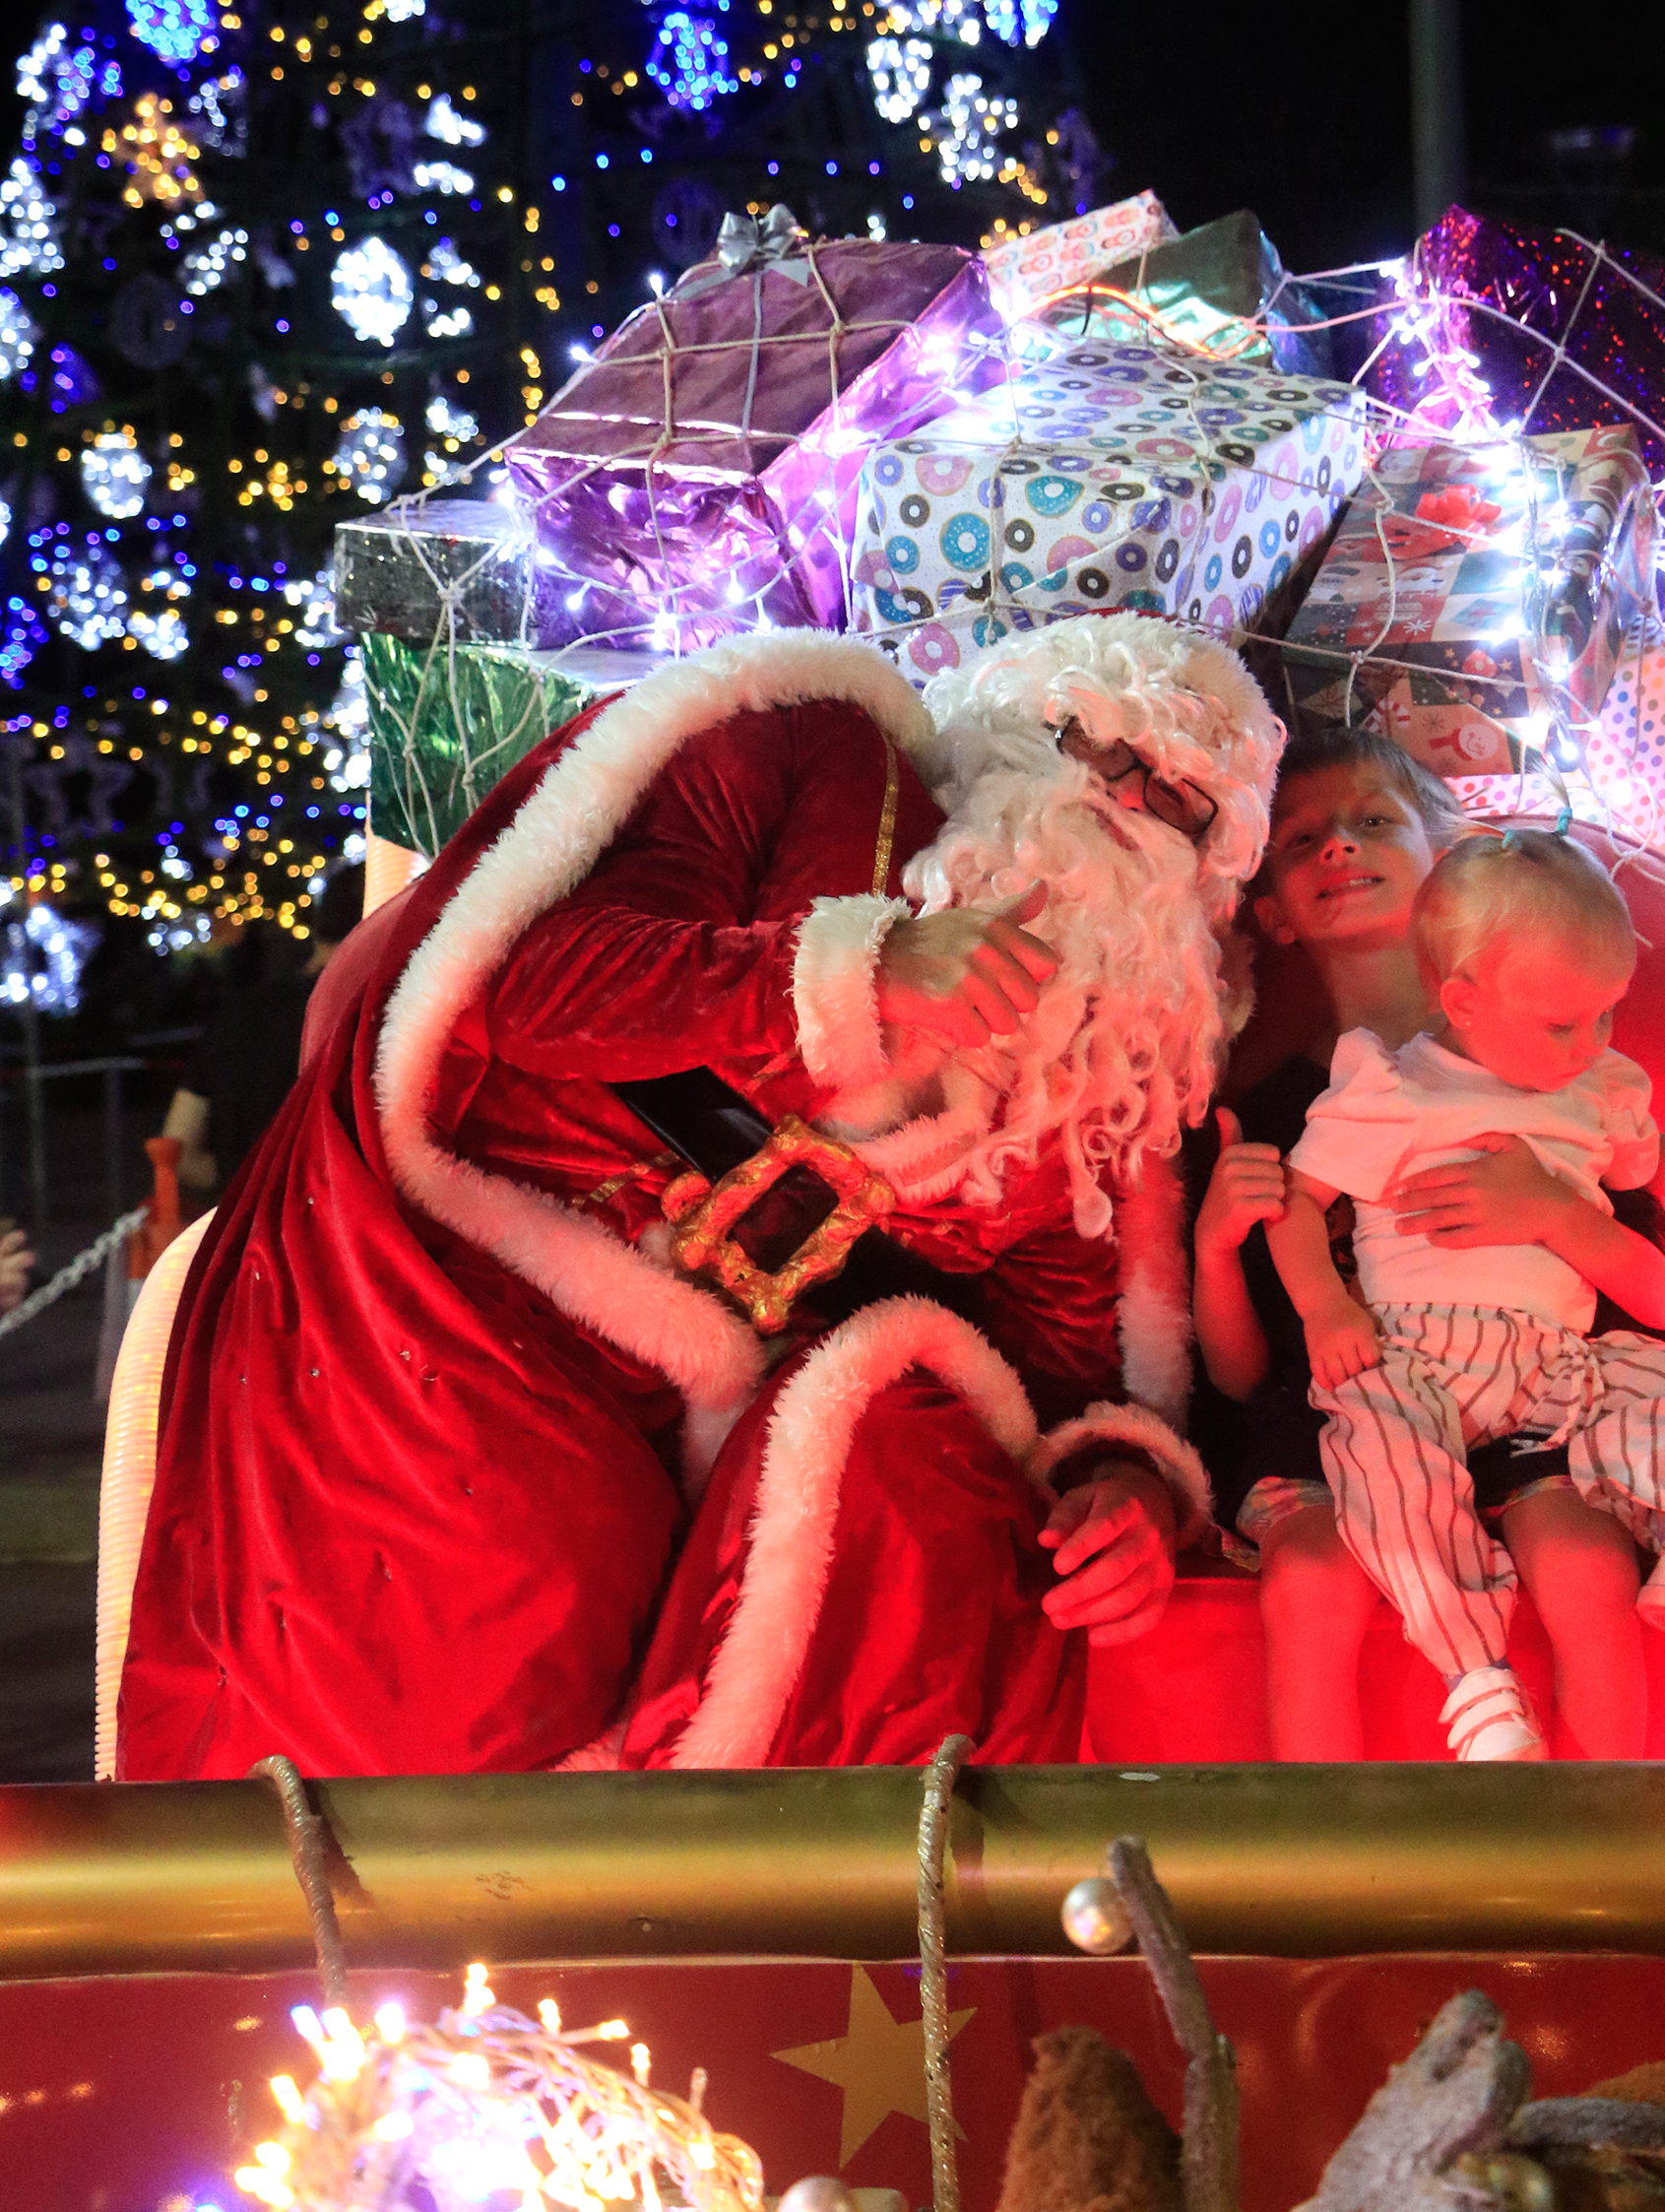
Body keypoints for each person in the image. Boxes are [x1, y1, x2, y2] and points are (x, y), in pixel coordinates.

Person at [116, 614, 1280, 1780]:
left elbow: (1063, 1361)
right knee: (486, 1643)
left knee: (942, 1567)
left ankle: (793, 1891)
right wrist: (861, 971)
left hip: (748, 1413)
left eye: (1182, 803)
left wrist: (1119, 1483)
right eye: (1095, 741)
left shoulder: (1096, 1086)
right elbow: (530, 982)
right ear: (1005, 717)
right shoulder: (811, 750)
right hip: (489, 1290)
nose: (1125, 797)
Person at [1206, 825, 1665, 1762]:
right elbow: (1298, 1200)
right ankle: (1478, 1681)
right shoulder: (1397, 1088)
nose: (1593, 1044)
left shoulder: (1594, 1087)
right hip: (1416, 1356)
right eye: (1564, 1025)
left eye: (1608, 1015)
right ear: (1464, 1002)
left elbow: (1652, 1164)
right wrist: (1327, 1304)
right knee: (1394, 1469)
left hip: (1550, 1369)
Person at [156, 867, 369, 1212]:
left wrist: (243, 1178)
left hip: (248, 1226)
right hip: (334, 1226)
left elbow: (179, 1149)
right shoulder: (363, 1020)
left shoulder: (236, 1013)